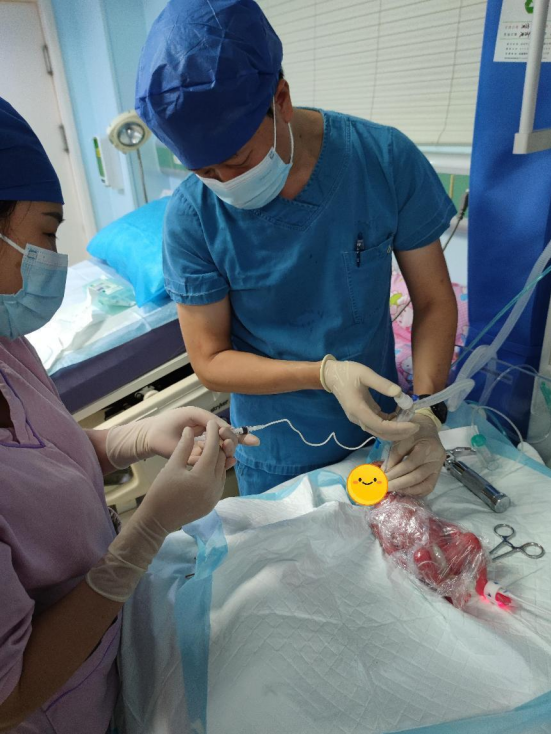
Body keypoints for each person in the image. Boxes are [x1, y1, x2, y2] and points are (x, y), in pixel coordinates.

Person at [0, 97, 257, 733]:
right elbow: (7, 699)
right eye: (47, 233)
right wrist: (145, 532)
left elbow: (39, 456)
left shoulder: (9, 346)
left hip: (117, 657)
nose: (54, 256)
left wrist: (131, 437)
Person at [136, 0, 459, 497]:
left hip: (382, 434)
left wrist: (427, 414)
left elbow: (434, 300)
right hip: (274, 451)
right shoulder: (193, 215)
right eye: (203, 171)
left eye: (237, 159)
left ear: (281, 100)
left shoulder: (382, 159)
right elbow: (210, 358)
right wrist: (324, 375)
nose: (225, 183)